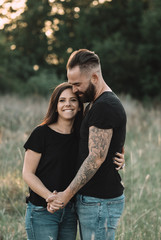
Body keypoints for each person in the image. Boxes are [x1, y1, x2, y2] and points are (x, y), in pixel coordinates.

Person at [22, 82, 125, 240]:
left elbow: (99, 153)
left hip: (70, 210)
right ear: (55, 106)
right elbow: (28, 174)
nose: (67, 104)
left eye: (73, 100)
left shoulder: (81, 136)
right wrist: (50, 197)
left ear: (79, 106)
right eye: (62, 100)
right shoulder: (41, 133)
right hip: (42, 210)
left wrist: (120, 160)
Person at [47, 49, 127, 240]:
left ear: (94, 77)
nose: (74, 90)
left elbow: (96, 157)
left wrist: (66, 195)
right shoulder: (97, 103)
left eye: (77, 84)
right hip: (95, 201)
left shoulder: (104, 105)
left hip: (99, 201)